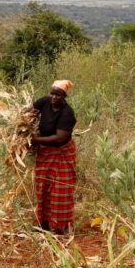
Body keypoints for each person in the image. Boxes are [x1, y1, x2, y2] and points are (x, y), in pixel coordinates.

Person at [28, 80, 77, 235]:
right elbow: (29, 111)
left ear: (64, 96)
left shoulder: (67, 113)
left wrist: (35, 139)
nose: (54, 97)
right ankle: (43, 224)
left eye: (59, 95)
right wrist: (22, 123)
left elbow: (59, 138)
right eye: (53, 93)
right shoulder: (45, 101)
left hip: (61, 153)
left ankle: (60, 227)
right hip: (45, 153)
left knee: (60, 189)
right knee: (42, 187)